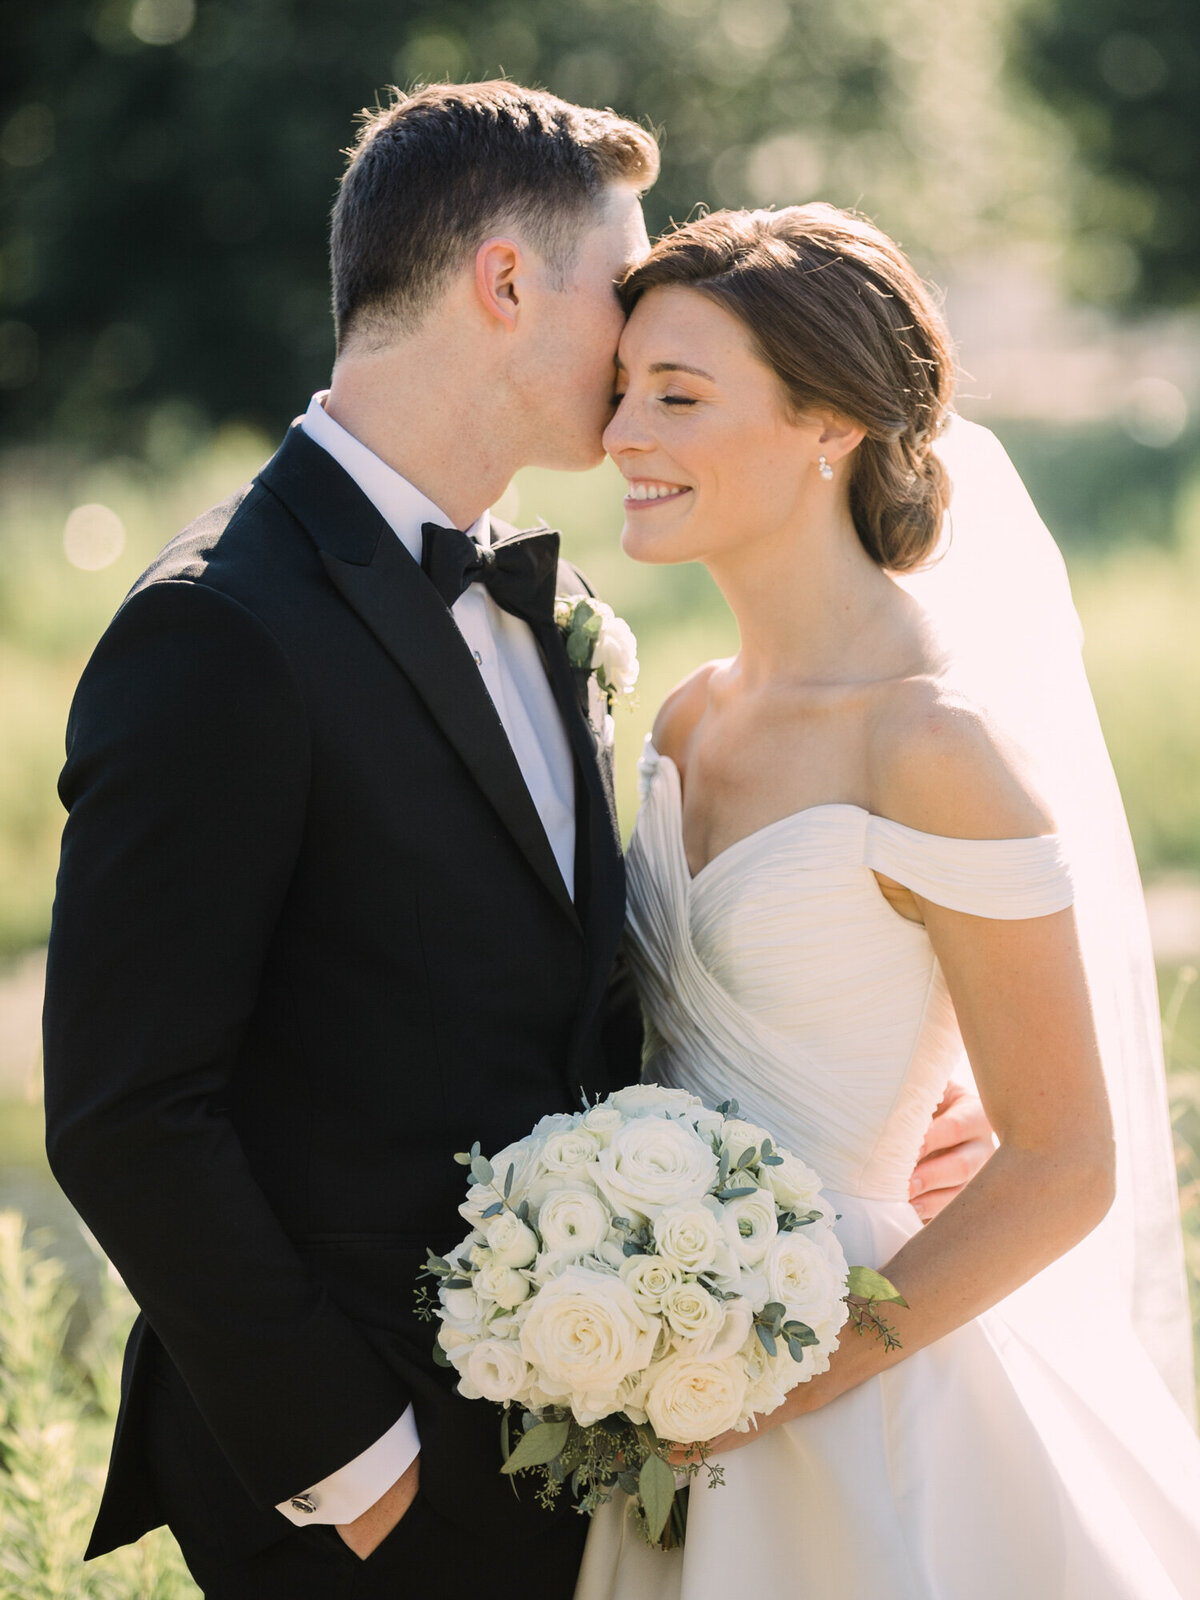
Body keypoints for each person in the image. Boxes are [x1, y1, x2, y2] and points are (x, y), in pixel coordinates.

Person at [42, 87, 993, 1600]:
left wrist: (870, 1131)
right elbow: (124, 1110)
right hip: (357, 1487)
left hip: (590, 1444)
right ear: (504, 284)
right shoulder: (215, 631)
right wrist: (358, 1464)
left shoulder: (556, 618)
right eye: (620, 295)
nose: (636, 348)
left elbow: (575, 994)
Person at [576, 204, 1200, 1600]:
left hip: (866, 1390)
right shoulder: (686, 719)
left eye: (678, 394)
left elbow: (1063, 1162)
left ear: (828, 425)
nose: (622, 432)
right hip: (660, 1375)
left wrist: (787, 1381)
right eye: (623, 388)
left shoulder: (931, 744)